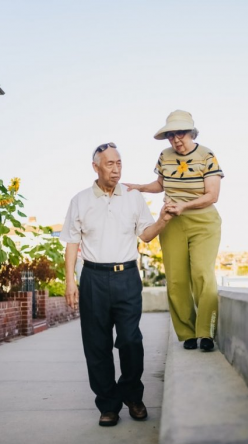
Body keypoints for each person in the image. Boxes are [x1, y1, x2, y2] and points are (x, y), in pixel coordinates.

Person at [62, 142, 172, 427]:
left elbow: (146, 235)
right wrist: (70, 282)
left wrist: (162, 220)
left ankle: (133, 396)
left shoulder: (133, 197)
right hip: (93, 279)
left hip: (126, 277)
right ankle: (108, 404)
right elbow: (72, 243)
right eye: (110, 164)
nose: (116, 168)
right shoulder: (80, 200)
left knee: (131, 340)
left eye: (119, 163)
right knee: (96, 345)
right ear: (95, 167)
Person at [125, 110, 224, 352]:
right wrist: (139, 187)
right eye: (171, 135)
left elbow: (212, 195)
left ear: (191, 132)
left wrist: (185, 205)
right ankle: (187, 333)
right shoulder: (165, 156)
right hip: (172, 223)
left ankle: (206, 333)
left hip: (203, 223)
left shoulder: (207, 155)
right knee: (177, 280)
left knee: (202, 273)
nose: (176, 140)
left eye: (180, 133)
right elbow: (161, 184)